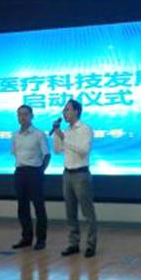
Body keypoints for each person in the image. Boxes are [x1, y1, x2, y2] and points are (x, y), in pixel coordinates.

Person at [53, 99, 97, 258]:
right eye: (64, 110)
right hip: (67, 174)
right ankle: (74, 243)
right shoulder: (66, 130)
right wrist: (57, 135)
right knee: (70, 211)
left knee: (87, 212)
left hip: (81, 174)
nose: (64, 113)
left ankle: (91, 245)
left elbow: (83, 150)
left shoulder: (85, 129)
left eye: (67, 110)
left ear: (76, 111)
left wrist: (64, 138)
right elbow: (58, 151)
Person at [11, 105, 50, 250]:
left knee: (39, 207)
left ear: (32, 116)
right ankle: (26, 238)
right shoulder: (15, 135)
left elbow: (47, 155)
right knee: (22, 207)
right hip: (20, 172)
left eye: (25, 114)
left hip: (35, 172)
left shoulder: (39, 134)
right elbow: (15, 153)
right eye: (19, 114)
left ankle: (41, 240)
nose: (22, 117)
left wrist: (41, 171)